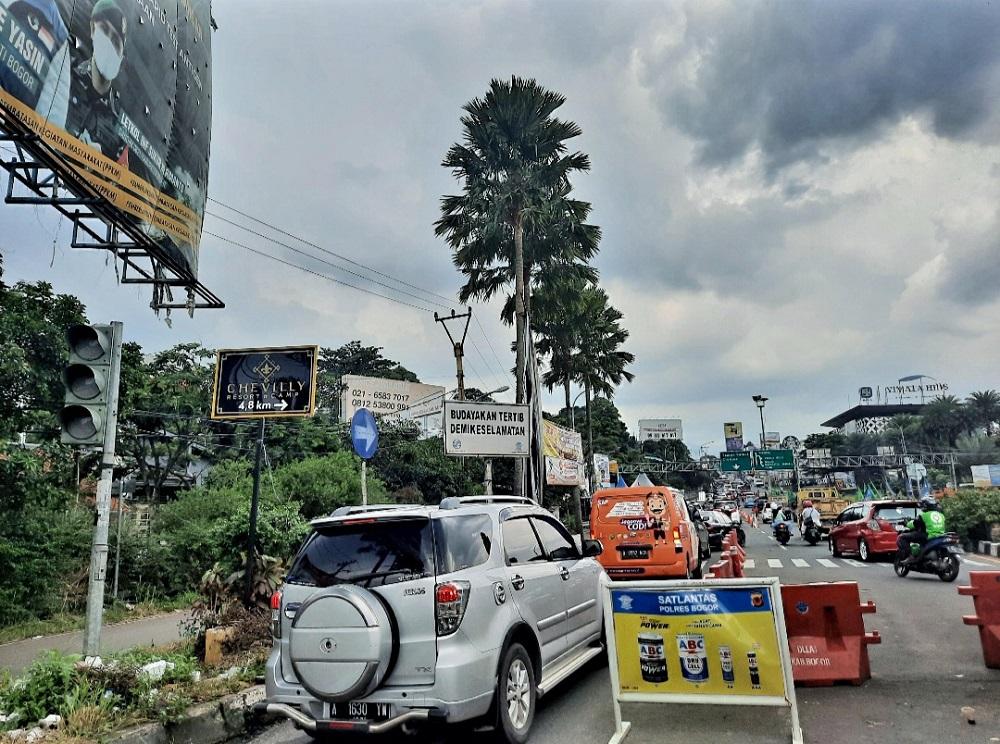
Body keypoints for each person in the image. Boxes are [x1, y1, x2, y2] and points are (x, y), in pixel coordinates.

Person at [65, 0, 128, 159]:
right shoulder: (66, 73)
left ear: (121, 60)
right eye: (104, 29)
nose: (108, 42)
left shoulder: (119, 122)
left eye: (116, 41)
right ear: (93, 29)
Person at [898, 496, 947, 565]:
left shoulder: (923, 515)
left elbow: (914, 524)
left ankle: (910, 556)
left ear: (925, 506)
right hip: (941, 535)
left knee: (902, 537)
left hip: (928, 536)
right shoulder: (941, 515)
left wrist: (907, 523)